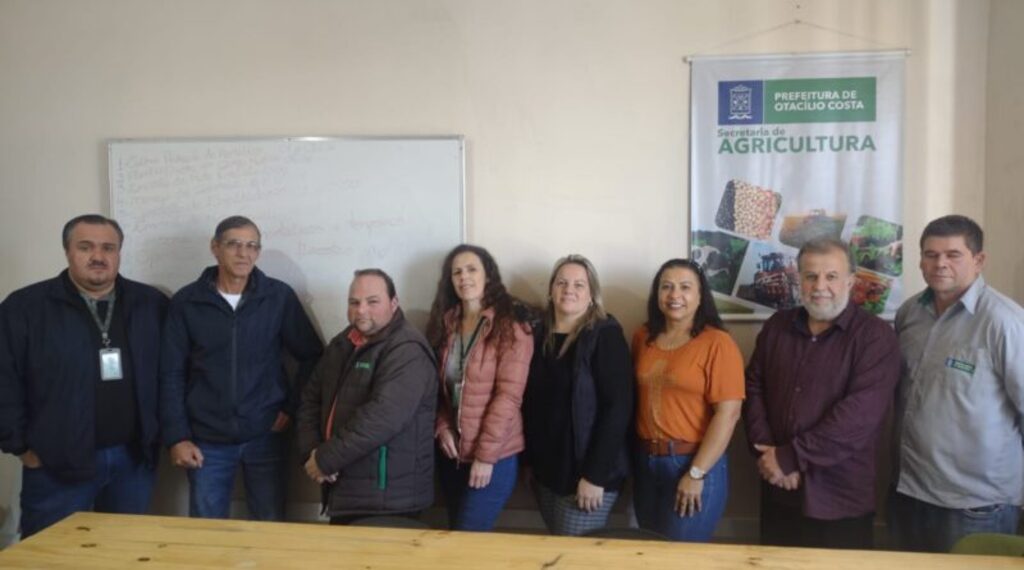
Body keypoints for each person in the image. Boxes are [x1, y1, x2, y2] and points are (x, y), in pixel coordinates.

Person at [0, 215, 168, 538]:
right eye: (85, 247)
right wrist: (20, 446)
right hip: (55, 463)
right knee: (51, 555)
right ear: (67, 251)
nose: (98, 256)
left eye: (109, 247)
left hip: (133, 460)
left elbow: (172, 374)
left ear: (119, 253)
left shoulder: (151, 304)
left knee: (123, 551)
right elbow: (4, 382)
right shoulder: (24, 308)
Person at [160, 215, 323, 521]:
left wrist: (289, 407)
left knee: (270, 524)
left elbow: (313, 356)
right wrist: (177, 436)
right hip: (206, 439)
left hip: (265, 433)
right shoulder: (187, 302)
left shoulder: (277, 296)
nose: (243, 254)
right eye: (234, 245)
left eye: (252, 246)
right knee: (207, 529)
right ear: (215, 248)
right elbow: (170, 374)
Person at [743, 238, 900, 549]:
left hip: (839, 499)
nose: (820, 286)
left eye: (831, 276)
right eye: (811, 276)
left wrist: (790, 457)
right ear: (798, 279)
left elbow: (859, 417)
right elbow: (753, 387)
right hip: (778, 487)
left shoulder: (876, 337)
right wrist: (770, 454)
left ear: (851, 281)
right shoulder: (777, 327)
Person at [889, 215, 1024, 553]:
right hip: (910, 492)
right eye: (930, 254)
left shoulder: (1004, 322)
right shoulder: (909, 314)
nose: (940, 264)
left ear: (978, 261)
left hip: (976, 504)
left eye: (953, 254)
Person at [296, 269, 437, 525]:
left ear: (393, 304)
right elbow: (310, 399)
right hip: (342, 488)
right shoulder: (342, 343)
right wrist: (312, 453)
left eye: (372, 301)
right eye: (354, 302)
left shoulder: (407, 349)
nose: (361, 310)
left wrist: (326, 459)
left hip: (388, 501)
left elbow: (381, 419)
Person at [631, 258, 744, 542]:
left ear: (700, 295)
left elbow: (728, 415)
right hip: (646, 462)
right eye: (666, 287)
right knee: (650, 554)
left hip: (692, 462)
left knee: (680, 558)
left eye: (685, 287)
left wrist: (696, 473)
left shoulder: (718, 343)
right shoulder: (643, 337)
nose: (674, 295)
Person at [522, 254, 634, 536]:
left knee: (576, 558)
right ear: (550, 290)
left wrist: (594, 476)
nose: (569, 289)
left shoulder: (604, 335)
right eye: (561, 282)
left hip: (589, 474)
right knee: (561, 549)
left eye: (579, 284)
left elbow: (617, 409)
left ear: (592, 295)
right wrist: (529, 463)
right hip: (547, 473)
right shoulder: (537, 335)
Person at [426, 244, 533, 531]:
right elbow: (437, 390)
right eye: (457, 272)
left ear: (488, 275)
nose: (464, 277)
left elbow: (508, 397)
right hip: (452, 456)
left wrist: (485, 458)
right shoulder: (445, 324)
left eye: (472, 269)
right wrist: (442, 426)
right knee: (455, 536)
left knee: (466, 542)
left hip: (494, 457)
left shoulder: (511, 324)